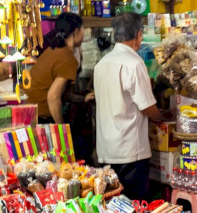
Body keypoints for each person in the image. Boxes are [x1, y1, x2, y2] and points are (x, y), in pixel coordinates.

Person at [93, 12, 161, 201]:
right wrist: (163, 117)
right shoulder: (134, 63)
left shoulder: (101, 64)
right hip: (131, 152)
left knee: (112, 206)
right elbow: (147, 107)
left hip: (107, 150)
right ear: (139, 35)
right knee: (134, 206)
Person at [27, 12, 84, 124]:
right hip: (42, 118)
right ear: (76, 32)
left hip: (30, 115)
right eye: (83, 30)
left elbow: (56, 91)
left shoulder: (52, 51)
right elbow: (53, 97)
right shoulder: (68, 59)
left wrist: (82, 98)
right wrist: (61, 128)